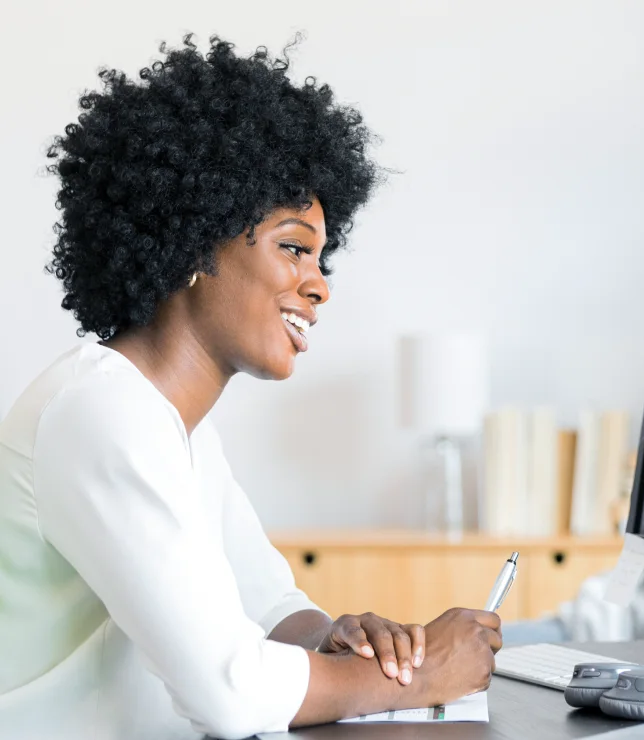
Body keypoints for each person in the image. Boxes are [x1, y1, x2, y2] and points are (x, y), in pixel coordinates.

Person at [0, 37, 501, 740]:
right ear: (197, 241)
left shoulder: (178, 428)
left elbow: (272, 610)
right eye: (294, 247)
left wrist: (350, 642)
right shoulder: (101, 413)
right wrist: (423, 673)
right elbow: (227, 693)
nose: (319, 285)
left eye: (321, 257)